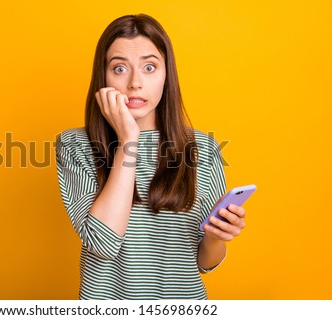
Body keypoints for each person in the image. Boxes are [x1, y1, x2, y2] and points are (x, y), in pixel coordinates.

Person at [55, 14, 247, 299]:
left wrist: (216, 237)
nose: (135, 83)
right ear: (103, 77)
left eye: (149, 67)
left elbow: (205, 263)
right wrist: (128, 140)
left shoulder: (204, 149)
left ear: (166, 75)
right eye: (120, 68)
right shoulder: (74, 145)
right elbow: (103, 244)